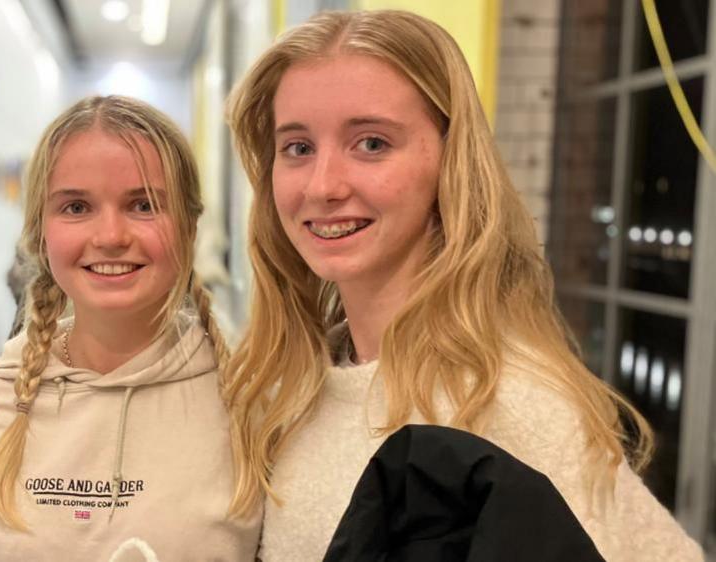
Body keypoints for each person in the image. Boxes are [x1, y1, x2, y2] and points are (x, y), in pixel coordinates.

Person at [223, 9, 702, 561]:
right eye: (298, 148)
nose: (324, 185)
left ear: (451, 161)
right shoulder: (289, 390)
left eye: (372, 143)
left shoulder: (508, 404)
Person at [0, 95, 260, 561]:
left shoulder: (256, 402)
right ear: (41, 230)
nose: (111, 237)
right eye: (77, 208)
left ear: (190, 225)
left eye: (142, 204)